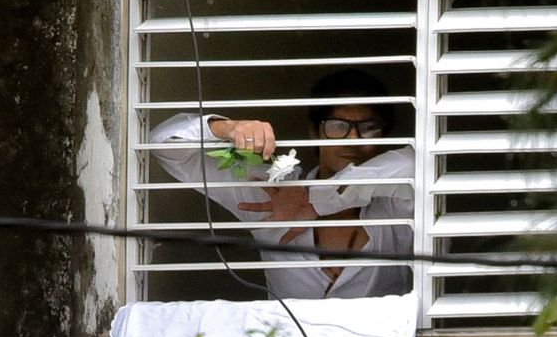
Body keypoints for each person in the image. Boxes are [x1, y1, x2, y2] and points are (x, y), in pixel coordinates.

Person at [150, 69, 414, 299]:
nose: (353, 140)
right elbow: (163, 145)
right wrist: (228, 128)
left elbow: (414, 161)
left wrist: (317, 201)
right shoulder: (274, 192)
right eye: (337, 126)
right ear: (314, 131)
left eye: (369, 127)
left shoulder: (394, 204)